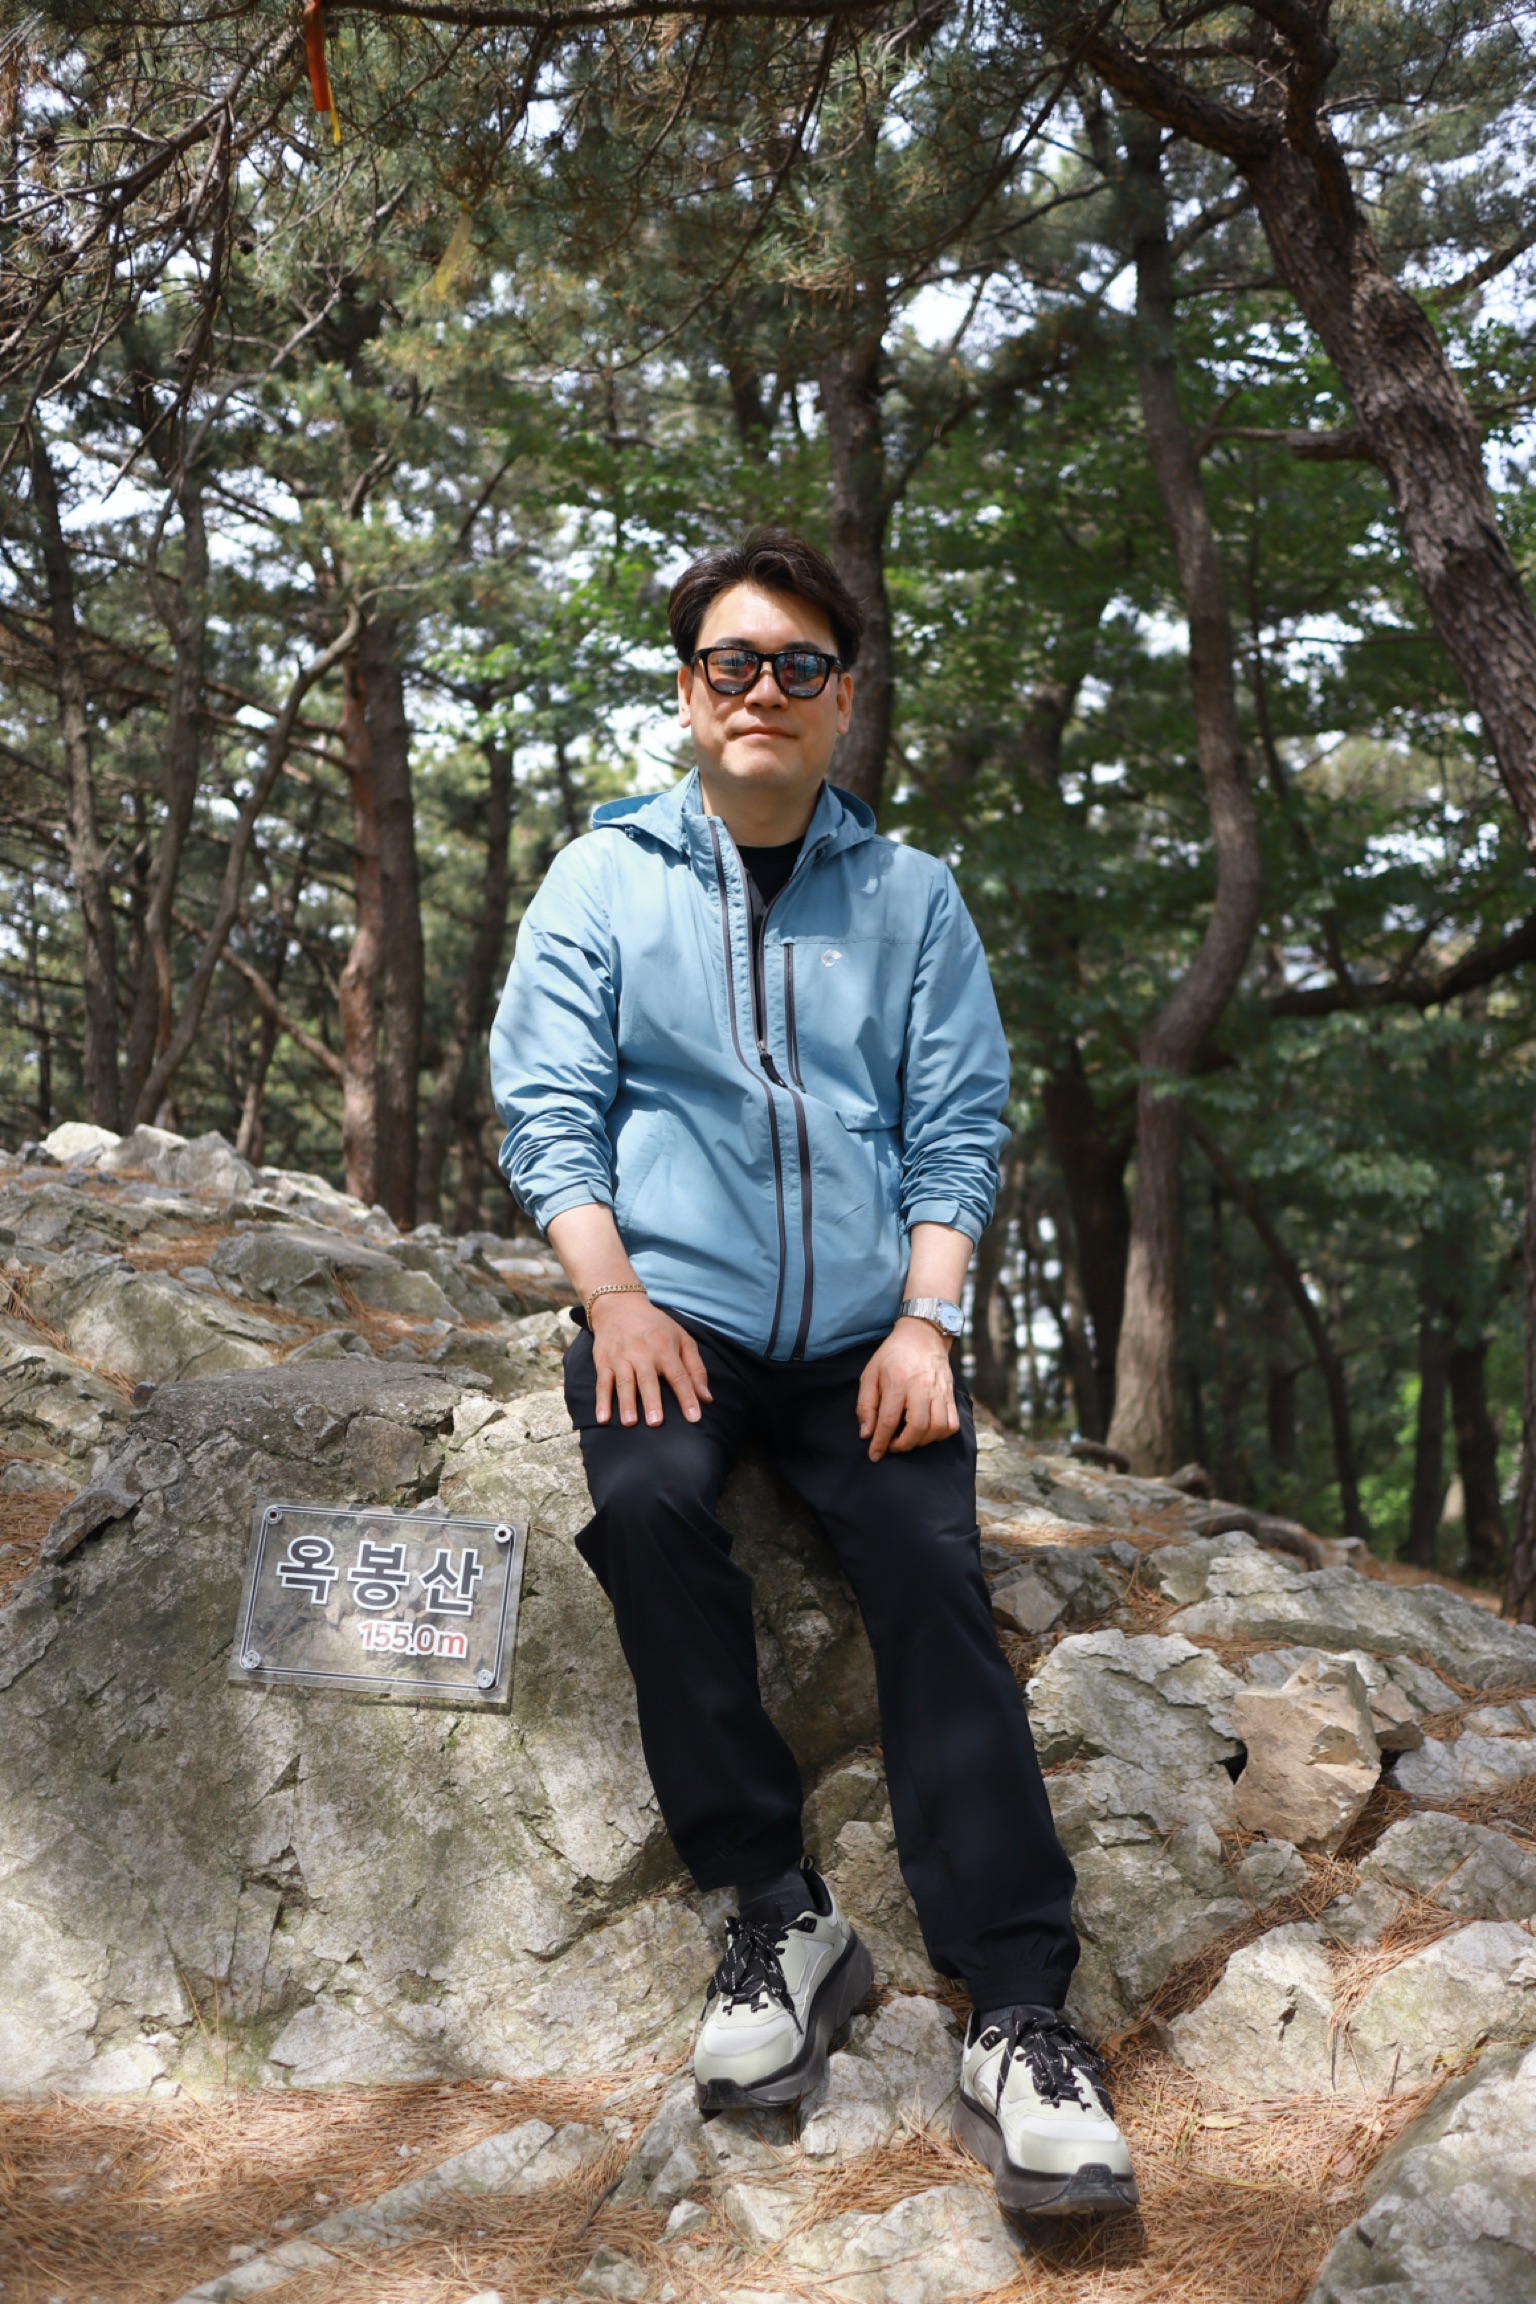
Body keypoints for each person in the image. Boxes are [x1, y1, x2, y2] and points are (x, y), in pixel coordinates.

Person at [489, 528, 1137, 2218]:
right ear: (688, 691)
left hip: (867, 1333)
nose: (761, 690)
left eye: (798, 666)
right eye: (732, 662)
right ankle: (777, 1912)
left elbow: (956, 1124)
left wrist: (928, 1322)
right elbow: (548, 1110)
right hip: (674, 1315)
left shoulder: (912, 897)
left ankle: (1020, 2011)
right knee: (647, 1507)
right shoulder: (602, 878)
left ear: (841, 701)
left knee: (927, 1567)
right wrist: (614, 1300)